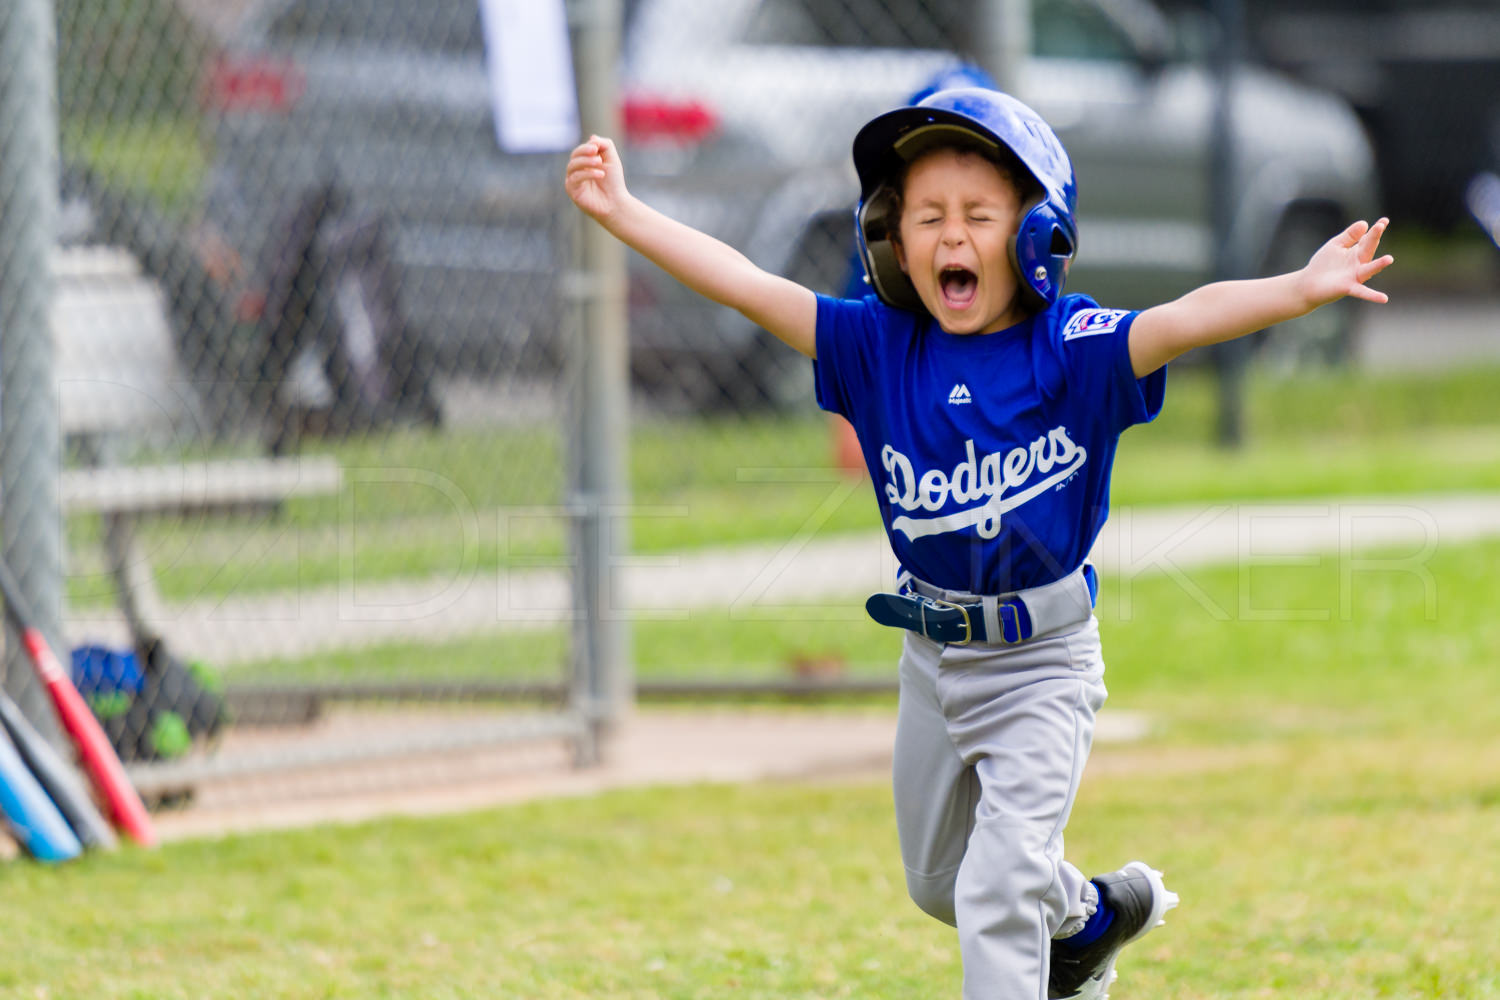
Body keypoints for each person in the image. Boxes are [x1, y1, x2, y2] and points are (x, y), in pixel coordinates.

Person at [565, 87, 1392, 999]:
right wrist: (626, 213)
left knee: (998, 887)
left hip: (1042, 665)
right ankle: (1087, 921)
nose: (950, 236)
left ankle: (1050, 936)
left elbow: (1182, 318)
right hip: (932, 661)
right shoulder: (877, 346)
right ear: (890, 240)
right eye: (927, 218)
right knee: (940, 884)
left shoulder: (1071, 349)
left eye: (978, 216)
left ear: (1035, 236)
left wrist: (1298, 288)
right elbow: (749, 284)